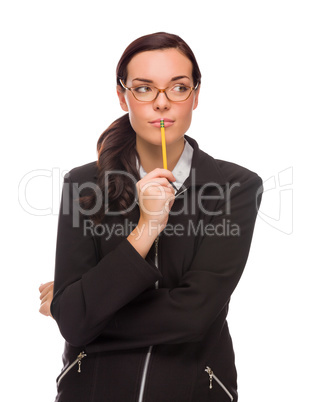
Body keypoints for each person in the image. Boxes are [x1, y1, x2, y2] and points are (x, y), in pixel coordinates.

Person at [39, 32, 263, 401]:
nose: (162, 104)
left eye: (178, 87)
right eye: (144, 89)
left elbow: (195, 315)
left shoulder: (236, 186)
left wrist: (79, 311)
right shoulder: (82, 186)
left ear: (196, 95)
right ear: (122, 95)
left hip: (192, 388)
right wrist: (146, 228)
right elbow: (76, 320)